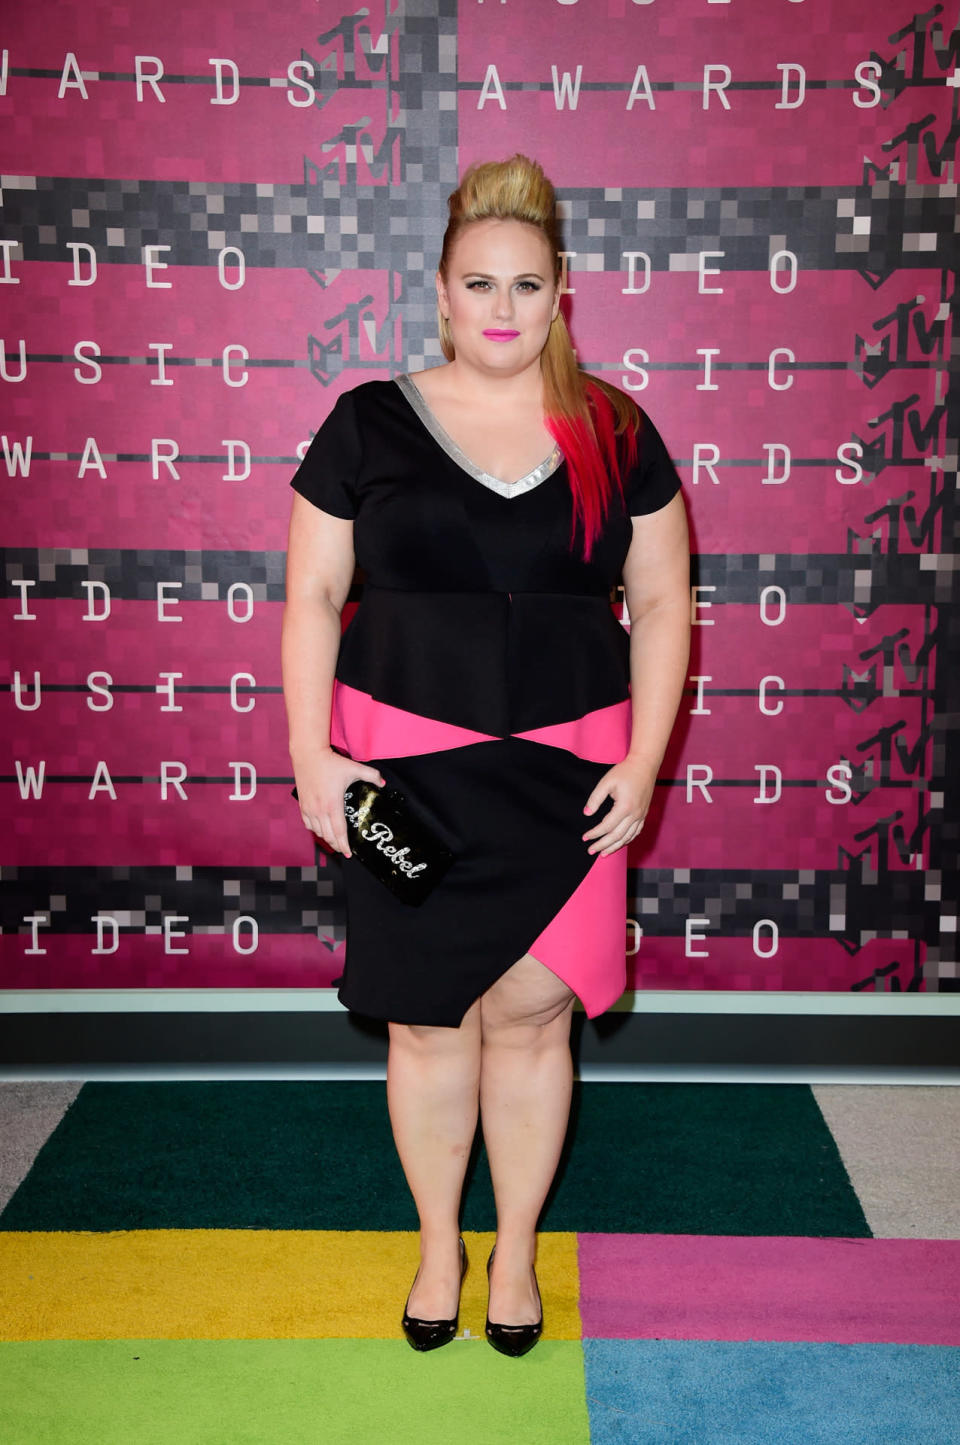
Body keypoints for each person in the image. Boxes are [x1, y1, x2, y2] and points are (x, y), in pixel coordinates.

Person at [281, 155, 690, 1356]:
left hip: (570, 779)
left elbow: (664, 605)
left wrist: (648, 758)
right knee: (424, 1019)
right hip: (401, 777)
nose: (502, 308)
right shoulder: (366, 420)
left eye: (526, 284)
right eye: (478, 284)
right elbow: (313, 594)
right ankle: (435, 1245)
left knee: (531, 1016)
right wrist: (312, 755)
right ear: (443, 293)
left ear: (562, 290)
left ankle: (512, 1250)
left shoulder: (618, 427)